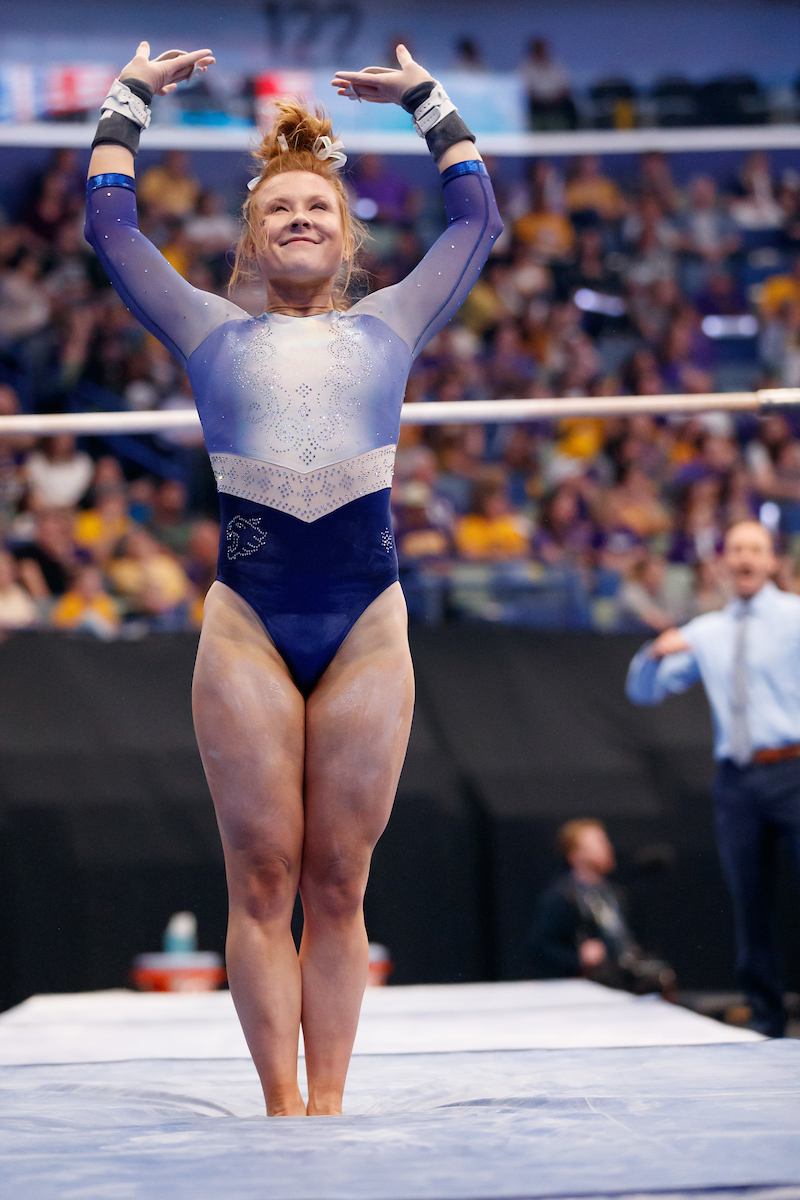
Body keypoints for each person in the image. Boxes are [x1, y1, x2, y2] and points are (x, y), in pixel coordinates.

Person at [85, 40, 500, 1115]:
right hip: (247, 623)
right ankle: (280, 1112)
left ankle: (330, 1110)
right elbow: (112, 229)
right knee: (263, 875)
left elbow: (473, 224)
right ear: (252, 238)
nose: (300, 219)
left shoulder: (392, 324)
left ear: (347, 232)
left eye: (317, 207)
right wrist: (129, 101)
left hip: (366, 620)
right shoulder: (205, 329)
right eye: (278, 211)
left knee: (337, 881)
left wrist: (426, 100)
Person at [626, 521, 800, 1036]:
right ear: (723, 562)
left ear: (771, 561)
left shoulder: (795, 618)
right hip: (738, 784)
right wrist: (652, 653)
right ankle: (767, 1022)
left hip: (794, 770)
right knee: (750, 904)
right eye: (737, 550)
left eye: (756, 550)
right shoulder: (707, 631)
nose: (745, 559)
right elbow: (645, 692)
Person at [530, 818, 673, 994]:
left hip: (620, 979)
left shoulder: (613, 892)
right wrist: (578, 958)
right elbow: (540, 946)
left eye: (605, 841)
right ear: (575, 855)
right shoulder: (562, 897)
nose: (607, 848)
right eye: (598, 843)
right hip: (588, 987)